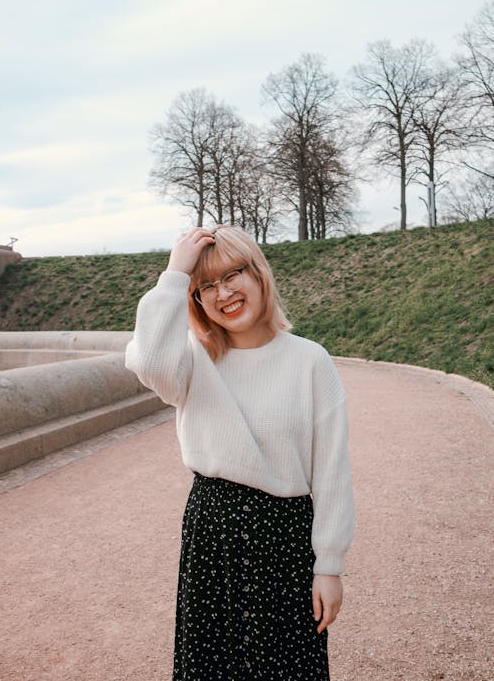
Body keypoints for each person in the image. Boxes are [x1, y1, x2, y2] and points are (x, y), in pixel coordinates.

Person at [125, 225, 355, 681]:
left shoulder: (310, 360)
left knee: (288, 665)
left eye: (233, 274)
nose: (223, 292)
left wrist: (329, 565)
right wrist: (174, 274)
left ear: (259, 274)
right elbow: (148, 362)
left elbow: (332, 471)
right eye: (205, 286)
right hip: (213, 527)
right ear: (193, 300)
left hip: (286, 535)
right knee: (214, 664)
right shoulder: (190, 362)